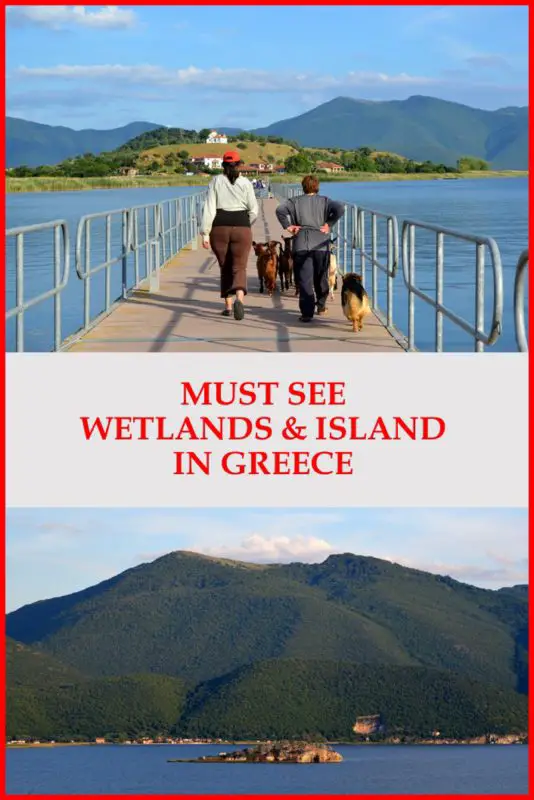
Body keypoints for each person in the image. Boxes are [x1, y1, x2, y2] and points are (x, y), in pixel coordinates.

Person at [275, 175, 345, 322]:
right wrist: (329, 224)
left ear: (303, 187)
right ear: (317, 186)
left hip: (301, 244)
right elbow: (340, 208)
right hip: (321, 244)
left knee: (305, 279)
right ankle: (321, 305)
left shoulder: (294, 202)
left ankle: (307, 313)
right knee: (321, 277)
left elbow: (280, 210)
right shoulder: (325, 201)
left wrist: (288, 226)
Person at [201, 151, 258, 320]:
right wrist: (245, 222)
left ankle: (228, 306)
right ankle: (240, 298)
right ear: (239, 164)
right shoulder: (246, 183)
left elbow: (209, 208)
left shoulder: (216, 181)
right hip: (242, 226)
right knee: (239, 266)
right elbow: (254, 209)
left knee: (224, 266)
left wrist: (205, 233)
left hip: (219, 227)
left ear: (223, 166)